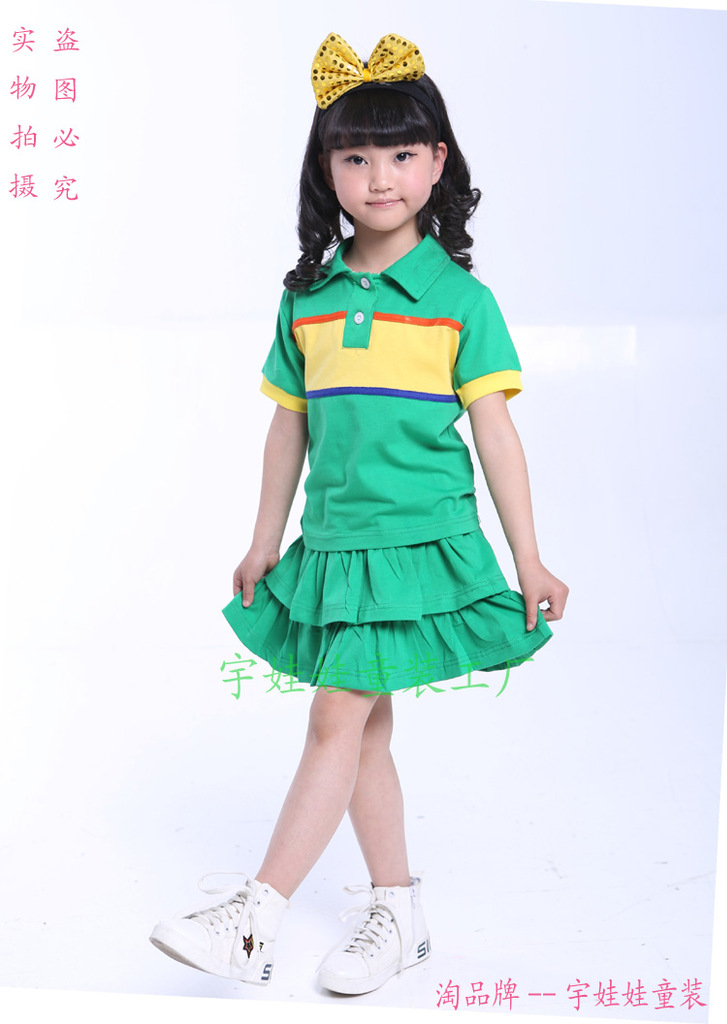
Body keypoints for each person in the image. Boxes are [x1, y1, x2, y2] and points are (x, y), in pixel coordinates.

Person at [150, 31, 568, 997]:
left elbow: (496, 436)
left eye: (401, 153)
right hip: (337, 548)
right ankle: (397, 909)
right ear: (325, 169)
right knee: (364, 730)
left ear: (437, 162)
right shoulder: (306, 299)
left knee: (336, 713)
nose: (379, 177)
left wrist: (529, 559)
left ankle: (254, 918)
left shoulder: (460, 301)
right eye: (355, 156)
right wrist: (265, 541)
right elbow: (287, 429)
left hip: (419, 549)